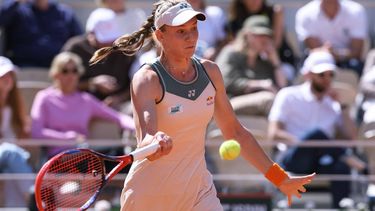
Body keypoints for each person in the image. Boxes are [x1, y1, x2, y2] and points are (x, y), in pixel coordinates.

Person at [89, 1, 315, 210]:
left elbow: (235, 132)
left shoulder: (211, 71)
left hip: (198, 191)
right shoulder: (147, 79)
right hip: (150, 195)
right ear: (160, 36)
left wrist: (280, 178)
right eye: (181, 32)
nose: (191, 37)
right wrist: (155, 142)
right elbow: (146, 138)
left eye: (194, 29)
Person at [268, 50, 365, 208]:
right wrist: (308, 143)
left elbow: (352, 139)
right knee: (317, 135)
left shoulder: (334, 105)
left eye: (330, 75)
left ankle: (342, 205)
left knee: (341, 165)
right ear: (308, 75)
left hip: (321, 162)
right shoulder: (287, 95)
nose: (327, 79)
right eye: (321, 75)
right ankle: (362, 168)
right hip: (292, 160)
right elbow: (274, 134)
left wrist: (343, 109)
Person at [30, 52, 135, 159]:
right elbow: (36, 132)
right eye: (65, 71)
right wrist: (68, 137)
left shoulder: (86, 100)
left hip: (84, 155)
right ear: (55, 74)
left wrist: (136, 127)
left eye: (74, 71)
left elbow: (118, 117)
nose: (71, 75)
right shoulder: (44, 97)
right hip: (57, 159)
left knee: (119, 156)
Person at [62, 8, 137, 112]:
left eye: (111, 39)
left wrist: (119, 98)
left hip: (117, 107)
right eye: (104, 39)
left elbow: (137, 84)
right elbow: (60, 82)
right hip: (79, 104)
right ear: (90, 34)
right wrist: (91, 83)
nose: (108, 44)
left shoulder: (124, 51)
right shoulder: (75, 49)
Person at [216, 15, 287, 117]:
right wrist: (261, 84)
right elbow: (226, 82)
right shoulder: (231, 52)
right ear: (247, 34)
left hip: (258, 105)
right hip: (230, 102)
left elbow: (282, 87)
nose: (264, 39)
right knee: (268, 99)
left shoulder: (264, 62)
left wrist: (275, 61)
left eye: (267, 35)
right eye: (259, 34)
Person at [0, 0, 83, 67]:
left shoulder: (65, 13)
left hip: (57, 71)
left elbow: (79, 41)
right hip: (23, 68)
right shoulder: (18, 10)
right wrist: (16, 2)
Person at [295, 0, 368, 77]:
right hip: (319, 59)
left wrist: (337, 54)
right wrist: (326, 53)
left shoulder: (356, 11)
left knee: (357, 67)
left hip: (347, 61)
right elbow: (313, 47)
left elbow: (357, 52)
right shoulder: (305, 13)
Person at [227, 0, 296, 80]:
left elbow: (276, 44)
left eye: (264, 35)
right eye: (256, 35)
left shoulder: (274, 12)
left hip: (275, 58)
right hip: (249, 61)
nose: (255, 1)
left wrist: (273, 59)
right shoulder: (235, 18)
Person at [0, 56, 33, 207]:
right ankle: (35, 196)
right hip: (8, 155)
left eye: (10, 75)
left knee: (12, 173)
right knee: (10, 152)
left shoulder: (14, 109)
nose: (7, 79)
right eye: (2, 76)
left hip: (9, 162)